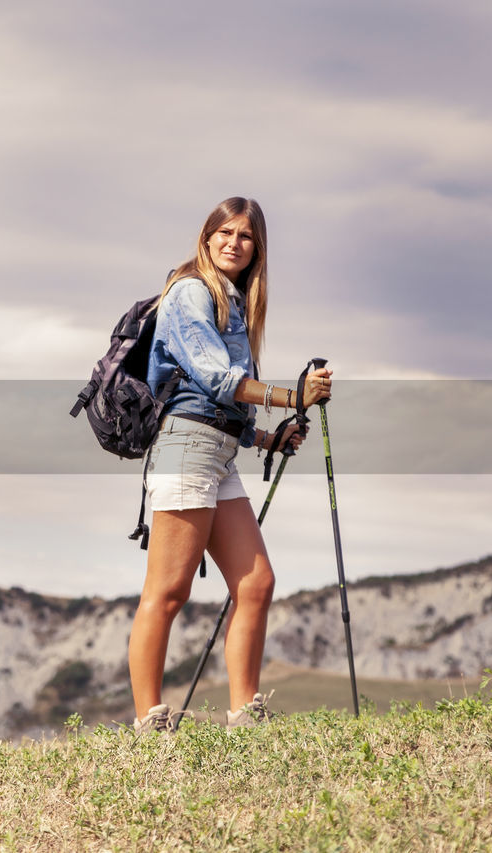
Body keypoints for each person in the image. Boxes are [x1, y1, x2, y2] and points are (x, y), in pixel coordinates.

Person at [127, 197, 332, 732]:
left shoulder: (234, 301)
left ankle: (246, 718)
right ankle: (150, 725)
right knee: (168, 592)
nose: (233, 242)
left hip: (216, 451)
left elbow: (224, 408)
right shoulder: (191, 291)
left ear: (256, 248)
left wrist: (268, 436)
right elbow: (216, 379)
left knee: (256, 583)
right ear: (207, 235)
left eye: (245, 236)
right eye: (224, 231)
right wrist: (296, 397)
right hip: (186, 449)